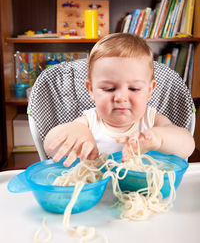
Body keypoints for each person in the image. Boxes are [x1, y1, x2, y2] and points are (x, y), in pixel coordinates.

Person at [44, 33, 195, 167]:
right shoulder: (90, 121)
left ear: (149, 91)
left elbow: (187, 145)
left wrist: (159, 139)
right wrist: (76, 132)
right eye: (109, 89)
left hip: (143, 193)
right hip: (96, 192)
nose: (121, 98)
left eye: (134, 89)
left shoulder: (151, 120)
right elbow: (49, 144)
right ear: (91, 89)